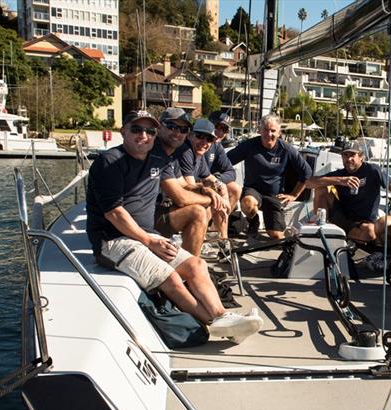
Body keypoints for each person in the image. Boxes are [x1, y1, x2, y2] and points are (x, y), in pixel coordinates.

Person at [85, 110, 263, 342]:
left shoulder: (158, 161)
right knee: (170, 277)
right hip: (113, 240)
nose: (144, 136)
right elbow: (114, 213)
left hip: (147, 236)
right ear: (123, 131)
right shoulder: (109, 162)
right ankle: (213, 323)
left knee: (196, 264)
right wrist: (149, 241)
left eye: (149, 131)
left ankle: (223, 316)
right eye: (136, 129)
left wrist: (209, 188)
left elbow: (181, 186)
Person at [226, 114, 313, 239]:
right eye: (266, 130)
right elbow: (226, 162)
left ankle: (271, 224)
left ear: (279, 133)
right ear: (260, 130)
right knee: (247, 203)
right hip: (253, 191)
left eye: (273, 131)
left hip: (274, 196)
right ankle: (253, 221)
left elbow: (306, 172)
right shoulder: (249, 145)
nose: (269, 134)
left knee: (276, 236)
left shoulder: (287, 149)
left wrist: (294, 195)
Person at [152, 108, 222, 256]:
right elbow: (181, 198)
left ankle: (191, 256)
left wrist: (206, 190)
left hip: (158, 210)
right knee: (197, 212)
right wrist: (210, 199)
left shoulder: (171, 155)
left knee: (203, 206)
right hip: (147, 218)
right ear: (159, 126)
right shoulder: (156, 153)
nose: (177, 133)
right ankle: (190, 265)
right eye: (172, 126)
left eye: (183, 129)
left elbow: (184, 185)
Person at [305, 140, 391, 243]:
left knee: (370, 232)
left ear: (361, 157)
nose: (349, 159)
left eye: (352, 155)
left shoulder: (373, 170)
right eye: (345, 155)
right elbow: (309, 183)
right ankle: (320, 230)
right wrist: (341, 180)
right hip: (342, 217)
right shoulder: (340, 174)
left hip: (364, 221)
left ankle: (342, 236)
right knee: (321, 188)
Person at [177, 118, 235, 244]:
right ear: (190, 135)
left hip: (184, 196)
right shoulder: (186, 151)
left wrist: (222, 189)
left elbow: (209, 177)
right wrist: (216, 197)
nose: (204, 142)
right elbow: (189, 187)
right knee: (209, 204)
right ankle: (200, 241)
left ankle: (223, 241)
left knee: (220, 191)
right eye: (200, 136)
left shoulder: (199, 154)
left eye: (209, 139)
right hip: (172, 201)